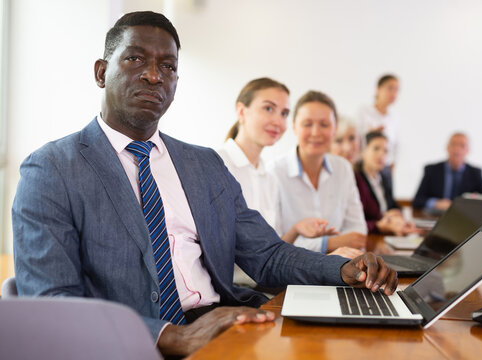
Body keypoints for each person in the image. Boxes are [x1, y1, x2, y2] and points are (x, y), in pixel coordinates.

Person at [11, 11, 398, 358]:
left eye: (168, 66)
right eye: (135, 59)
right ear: (100, 72)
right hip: (133, 340)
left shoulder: (203, 163)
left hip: (227, 323)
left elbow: (267, 255)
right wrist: (172, 336)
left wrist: (342, 270)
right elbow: (51, 301)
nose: (153, 75)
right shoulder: (52, 169)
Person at [218, 78, 362, 290]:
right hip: (235, 291)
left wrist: (295, 230)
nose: (278, 121)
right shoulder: (217, 164)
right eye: (269, 108)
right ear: (241, 111)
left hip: (267, 286)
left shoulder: (265, 175)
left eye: (284, 113)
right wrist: (327, 256)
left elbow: (272, 253)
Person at [269, 90, 369, 255]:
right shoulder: (274, 172)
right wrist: (328, 244)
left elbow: (358, 234)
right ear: (294, 126)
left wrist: (304, 243)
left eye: (324, 124)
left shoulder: (343, 168)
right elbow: (275, 243)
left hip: (340, 269)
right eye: (307, 124)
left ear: (335, 128)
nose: (316, 133)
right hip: (292, 273)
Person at [354, 132, 417, 235]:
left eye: (386, 151)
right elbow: (357, 222)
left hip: (385, 235)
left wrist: (399, 217)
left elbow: (392, 205)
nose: (381, 154)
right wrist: (385, 219)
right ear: (363, 151)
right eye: (376, 148)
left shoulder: (385, 177)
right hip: (369, 236)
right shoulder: (356, 180)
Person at [413, 132, 482, 211]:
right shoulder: (431, 170)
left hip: (464, 218)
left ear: (468, 150)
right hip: (436, 217)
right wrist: (436, 203)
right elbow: (417, 200)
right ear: (447, 147)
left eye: (462, 145)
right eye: (453, 144)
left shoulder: (475, 173)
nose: (457, 149)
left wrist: (473, 202)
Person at [357, 74, 400, 175]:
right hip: (366, 167)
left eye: (397, 90)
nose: (393, 93)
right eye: (390, 88)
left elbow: (396, 145)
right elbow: (356, 138)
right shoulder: (364, 111)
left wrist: (393, 164)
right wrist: (372, 134)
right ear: (378, 89)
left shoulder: (394, 118)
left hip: (385, 167)